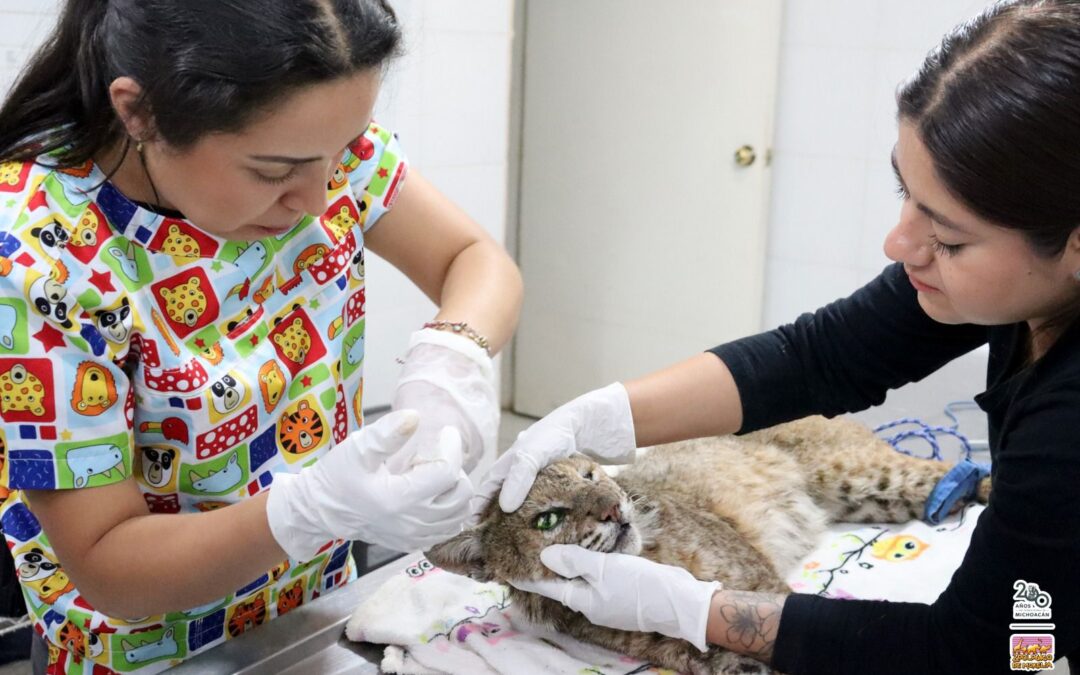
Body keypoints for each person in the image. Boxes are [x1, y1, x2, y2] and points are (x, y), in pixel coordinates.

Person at [479, 2, 1080, 673]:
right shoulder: (1023, 284)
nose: (898, 242)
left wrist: (691, 610)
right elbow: (818, 355)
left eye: (947, 237)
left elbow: (975, 649)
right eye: (902, 191)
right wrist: (606, 414)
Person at [0, 0, 522, 673]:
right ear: (141, 112)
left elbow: (474, 261)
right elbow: (107, 564)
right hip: (142, 650)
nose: (315, 198)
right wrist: (308, 506)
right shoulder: (39, 253)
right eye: (274, 172)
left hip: (315, 604)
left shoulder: (326, 159)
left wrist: (452, 355)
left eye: (336, 156)